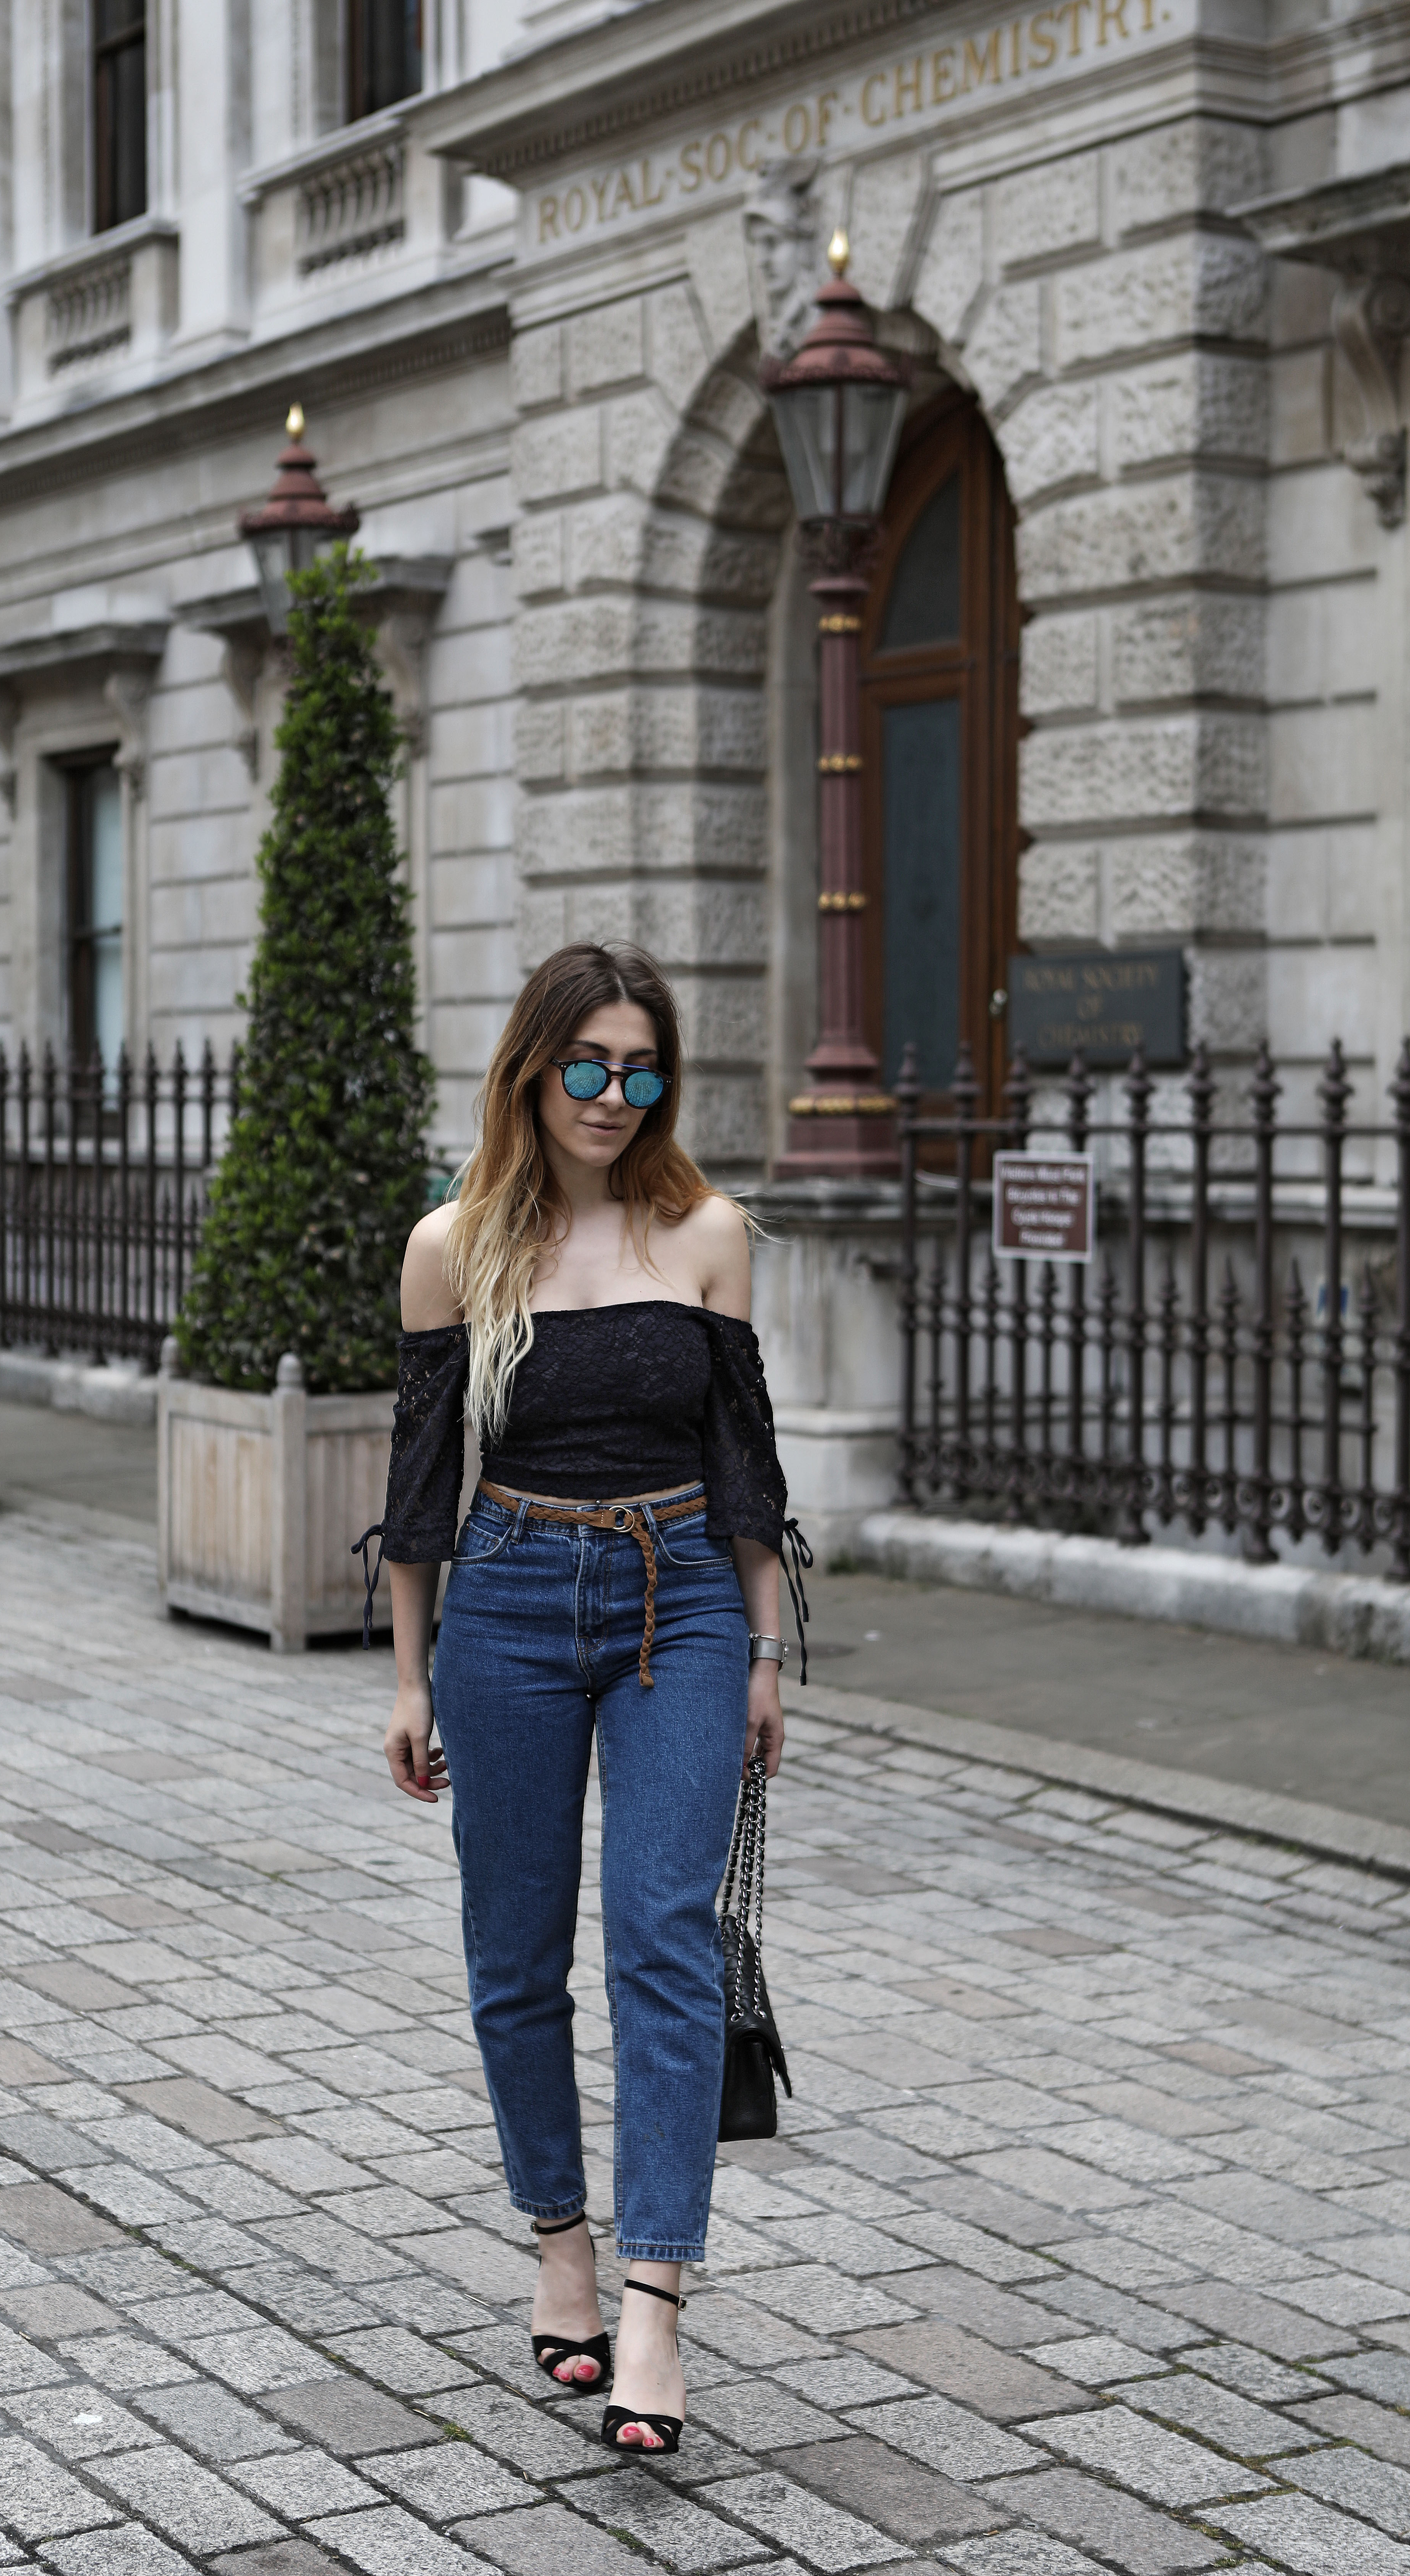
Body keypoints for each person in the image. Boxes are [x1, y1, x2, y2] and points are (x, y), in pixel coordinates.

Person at [365, 940, 805, 2457]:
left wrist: (764, 1653)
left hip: (682, 1599)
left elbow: (746, 1468)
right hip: (505, 1598)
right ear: (531, 1071)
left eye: (642, 1071)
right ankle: (561, 2246)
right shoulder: (453, 1246)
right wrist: (408, 1677)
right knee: (515, 1953)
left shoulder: (708, 1234)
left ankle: (655, 2307)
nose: (615, 1097)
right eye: (588, 1067)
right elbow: (422, 1480)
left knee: (663, 1943)